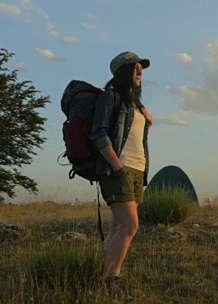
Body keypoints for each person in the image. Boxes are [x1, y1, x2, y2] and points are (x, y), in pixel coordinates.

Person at [90, 51, 153, 280]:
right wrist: (116, 165)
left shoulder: (135, 104)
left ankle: (103, 273)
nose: (139, 71)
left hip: (137, 169)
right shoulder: (111, 96)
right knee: (130, 225)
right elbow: (98, 133)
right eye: (134, 67)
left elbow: (136, 134)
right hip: (118, 168)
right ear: (122, 72)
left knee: (117, 228)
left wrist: (147, 120)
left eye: (141, 68)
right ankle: (111, 277)